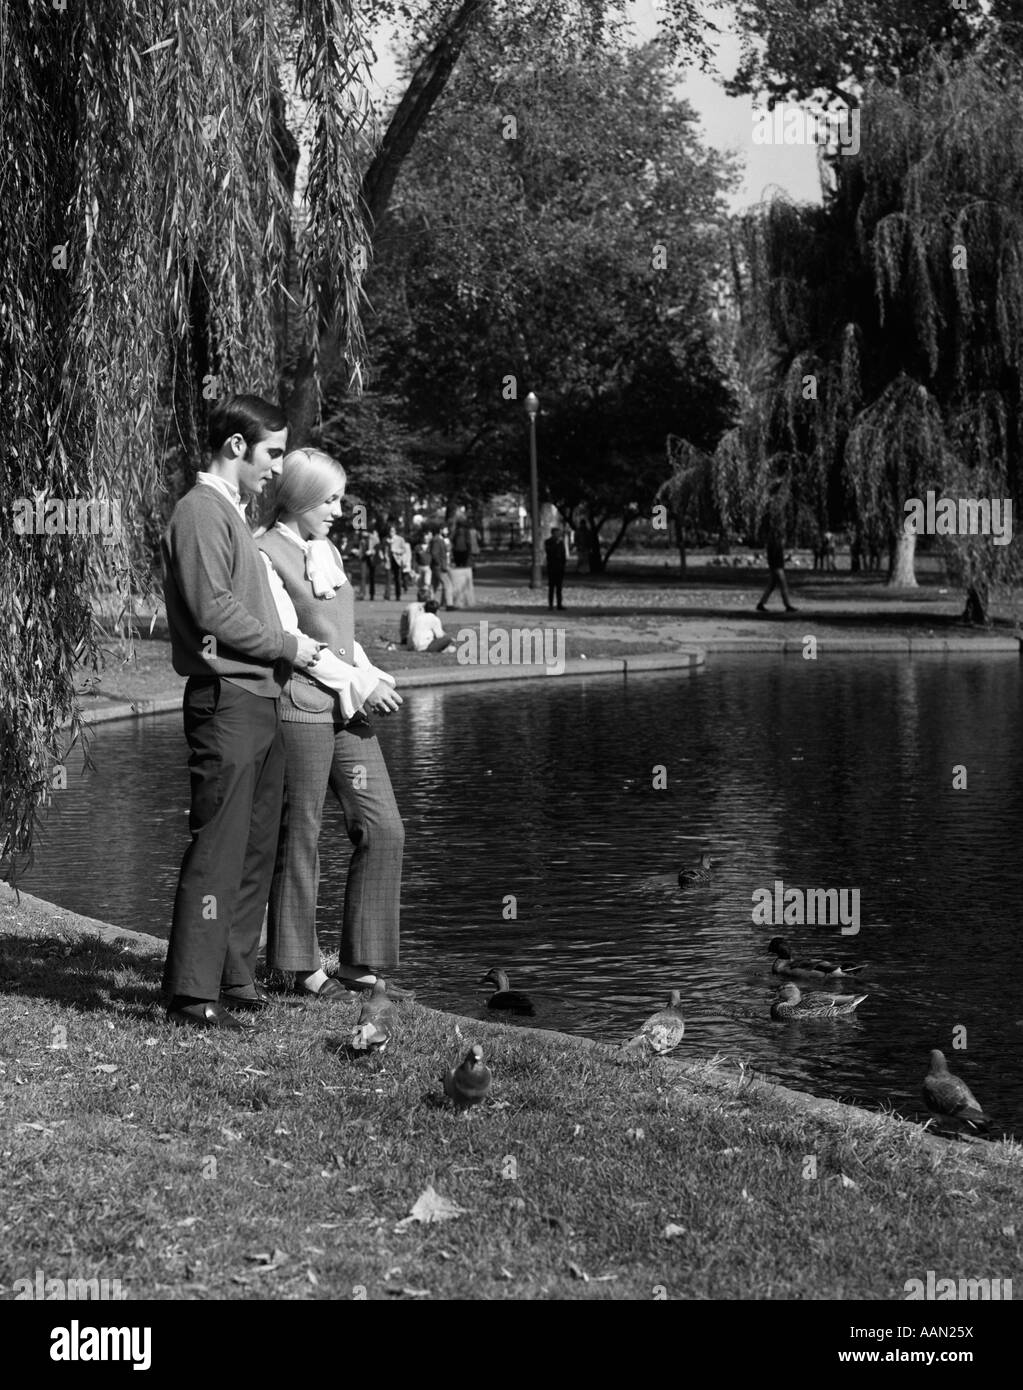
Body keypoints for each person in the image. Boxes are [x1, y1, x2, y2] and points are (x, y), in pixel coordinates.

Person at [161, 393, 322, 1031]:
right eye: (273, 453)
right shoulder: (200, 512)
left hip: (260, 696)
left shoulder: (229, 512)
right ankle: (190, 991)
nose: (279, 469)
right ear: (237, 447)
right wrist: (290, 646)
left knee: (256, 845)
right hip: (225, 698)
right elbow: (213, 611)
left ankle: (233, 970)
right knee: (220, 846)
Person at [257, 449, 407, 998]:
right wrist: (357, 682)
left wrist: (367, 675)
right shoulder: (265, 553)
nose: (340, 511)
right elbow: (296, 646)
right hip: (299, 704)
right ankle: (297, 966)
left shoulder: (326, 550)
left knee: (384, 826)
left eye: (339, 498)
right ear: (298, 499)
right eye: (329, 500)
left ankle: (359, 962)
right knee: (301, 834)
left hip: (345, 705)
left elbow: (341, 637)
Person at [756, 515, 798, 613]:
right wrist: (786, 559)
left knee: (771, 586)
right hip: (778, 568)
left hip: (775, 567)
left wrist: (787, 559)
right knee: (783, 586)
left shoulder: (772, 544)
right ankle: (787, 605)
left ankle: (761, 604)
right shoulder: (776, 544)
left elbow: (774, 557)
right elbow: (776, 558)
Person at [544, 525, 568, 610]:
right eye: (556, 533)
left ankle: (559, 604)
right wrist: (556, 544)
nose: (558, 535)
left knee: (559, 587)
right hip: (552, 566)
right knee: (551, 587)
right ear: (553, 534)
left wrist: (564, 564)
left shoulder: (561, 542)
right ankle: (550, 605)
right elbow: (549, 552)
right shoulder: (548, 542)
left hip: (559, 567)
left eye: (559, 533)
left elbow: (563, 553)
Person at [429, 527, 449, 606]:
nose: (447, 531)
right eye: (446, 529)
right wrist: (439, 564)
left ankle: (431, 602)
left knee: (434, 585)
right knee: (447, 584)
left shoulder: (438, 539)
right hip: (439, 566)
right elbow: (435, 553)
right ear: (441, 530)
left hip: (437, 566)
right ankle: (447, 603)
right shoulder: (437, 540)